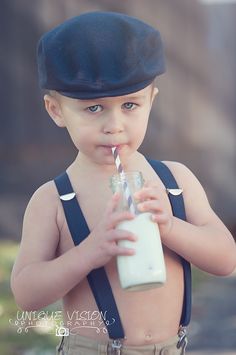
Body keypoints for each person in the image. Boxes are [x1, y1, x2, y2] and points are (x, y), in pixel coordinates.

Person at [11, 11, 236, 355]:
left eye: (130, 105)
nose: (114, 125)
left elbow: (226, 260)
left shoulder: (174, 181)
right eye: (94, 109)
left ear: (151, 102)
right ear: (56, 111)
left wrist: (170, 227)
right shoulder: (54, 199)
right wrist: (89, 252)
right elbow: (26, 294)